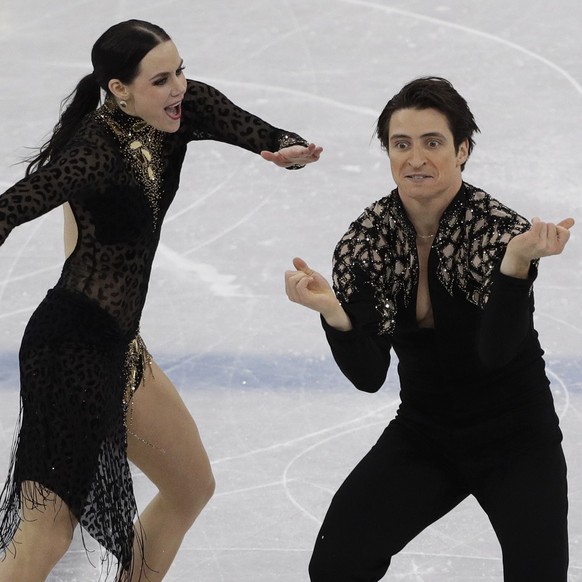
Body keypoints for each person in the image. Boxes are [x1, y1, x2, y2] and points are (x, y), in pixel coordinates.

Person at [0, 19, 322, 582]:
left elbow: (250, 128)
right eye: (160, 80)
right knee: (47, 534)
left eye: (180, 71)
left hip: (120, 346)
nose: (178, 88)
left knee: (191, 485)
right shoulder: (95, 150)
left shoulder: (183, 108)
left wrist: (285, 146)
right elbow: (17, 204)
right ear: (119, 90)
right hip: (67, 352)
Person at [285, 76, 574, 581]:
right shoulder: (368, 238)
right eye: (402, 144)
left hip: (517, 440)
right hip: (427, 434)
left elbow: (496, 353)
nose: (415, 158)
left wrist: (515, 267)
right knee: (336, 564)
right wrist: (334, 312)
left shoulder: (497, 231)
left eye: (433, 142)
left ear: (462, 150)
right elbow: (370, 374)